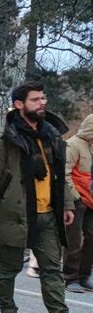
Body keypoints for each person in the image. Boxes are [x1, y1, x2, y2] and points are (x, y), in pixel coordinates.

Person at [0, 81, 84, 313]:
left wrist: (67, 204)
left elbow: (59, 174)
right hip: (15, 213)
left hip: (48, 214)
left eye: (43, 98)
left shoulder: (51, 135)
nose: (42, 103)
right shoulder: (3, 140)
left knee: (51, 268)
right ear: (19, 105)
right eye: (36, 99)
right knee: (9, 267)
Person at [63, 113, 93, 293]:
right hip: (77, 199)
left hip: (91, 198)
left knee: (91, 237)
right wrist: (75, 197)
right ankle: (69, 277)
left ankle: (83, 276)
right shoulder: (72, 144)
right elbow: (64, 173)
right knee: (73, 239)